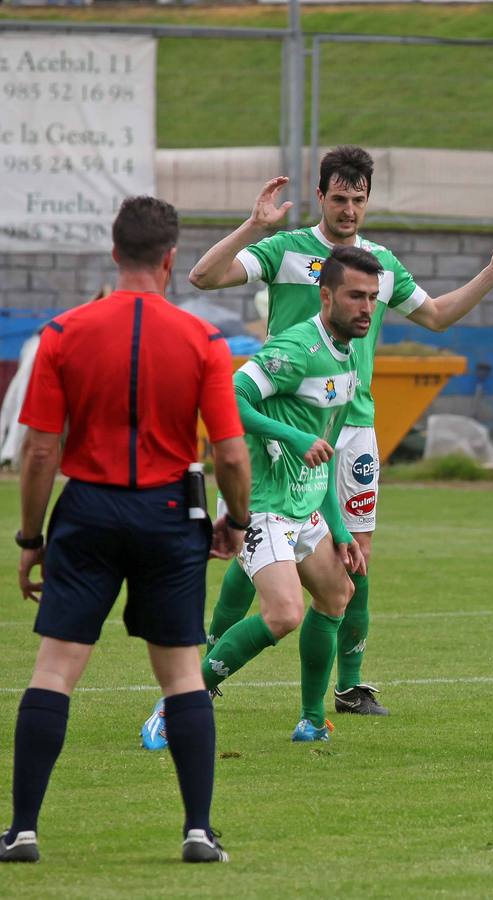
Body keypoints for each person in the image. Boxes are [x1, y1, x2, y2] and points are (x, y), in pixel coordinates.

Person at [187, 146, 493, 716]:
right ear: (320, 195)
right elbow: (203, 277)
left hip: (352, 427)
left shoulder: (379, 262)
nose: (349, 209)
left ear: (367, 200)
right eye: (339, 198)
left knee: (354, 556)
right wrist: (254, 225)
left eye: (358, 199)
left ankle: (348, 687)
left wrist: (492, 274)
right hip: (284, 424)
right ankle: (211, 652)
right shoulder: (285, 250)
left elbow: (438, 315)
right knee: (262, 535)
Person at [2, 197, 251, 864]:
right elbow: (229, 452)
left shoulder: (61, 334)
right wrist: (237, 521)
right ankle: (198, 829)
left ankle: (23, 828)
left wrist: (31, 539)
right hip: (169, 515)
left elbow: (39, 452)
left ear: (114, 254)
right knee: (182, 675)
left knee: (55, 669)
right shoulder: (203, 341)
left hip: (88, 511)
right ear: (171, 259)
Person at [144, 245, 377, 747]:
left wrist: (339, 531)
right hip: (265, 506)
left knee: (338, 595)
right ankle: (176, 704)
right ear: (326, 295)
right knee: (284, 613)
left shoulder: (350, 355)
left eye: (373, 298)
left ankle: (312, 720)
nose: (366, 308)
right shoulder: (295, 348)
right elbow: (229, 398)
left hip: (306, 507)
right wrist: (294, 439)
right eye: (355, 296)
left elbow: (328, 449)